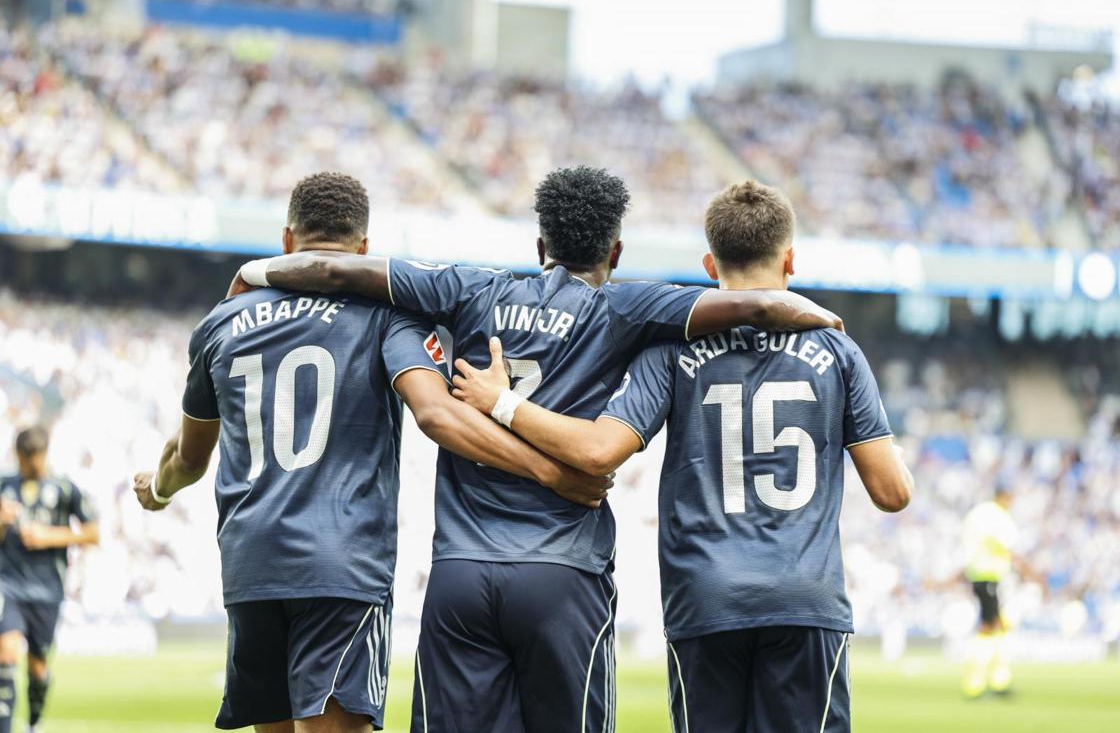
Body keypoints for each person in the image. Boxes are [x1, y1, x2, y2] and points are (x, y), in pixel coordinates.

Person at [230, 166, 845, 732]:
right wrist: (810, 312)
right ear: (616, 251)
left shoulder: (470, 291)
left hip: (461, 573)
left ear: (541, 247)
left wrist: (254, 273)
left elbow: (339, 271)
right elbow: (757, 302)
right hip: (563, 575)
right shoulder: (626, 307)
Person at [132, 172, 608, 733]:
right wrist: (550, 472)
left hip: (252, 562)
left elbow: (188, 458)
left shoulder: (222, 322)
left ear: (288, 243)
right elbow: (436, 413)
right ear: (363, 249)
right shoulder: (385, 313)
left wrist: (157, 489)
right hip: (341, 562)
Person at [451, 180, 914, 733]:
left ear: (709, 261)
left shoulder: (672, 348)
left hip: (705, 597)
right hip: (804, 599)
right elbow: (892, 493)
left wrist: (502, 404)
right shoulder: (838, 350)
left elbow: (600, 450)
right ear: (790, 258)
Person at [0, 426, 99, 733]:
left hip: (47, 590)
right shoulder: (4, 486)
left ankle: (34, 722)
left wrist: (49, 536)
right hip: (9, 586)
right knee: (6, 654)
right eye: (28, 461)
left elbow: (93, 533)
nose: (33, 467)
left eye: (37, 460)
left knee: (38, 668)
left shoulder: (65, 488)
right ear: (19, 456)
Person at [961, 486, 1023, 699]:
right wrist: (1028, 572)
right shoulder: (997, 516)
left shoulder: (977, 513)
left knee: (997, 625)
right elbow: (1005, 546)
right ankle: (976, 683)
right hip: (990, 576)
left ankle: (998, 680)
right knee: (989, 627)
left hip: (979, 575)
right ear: (1004, 497)